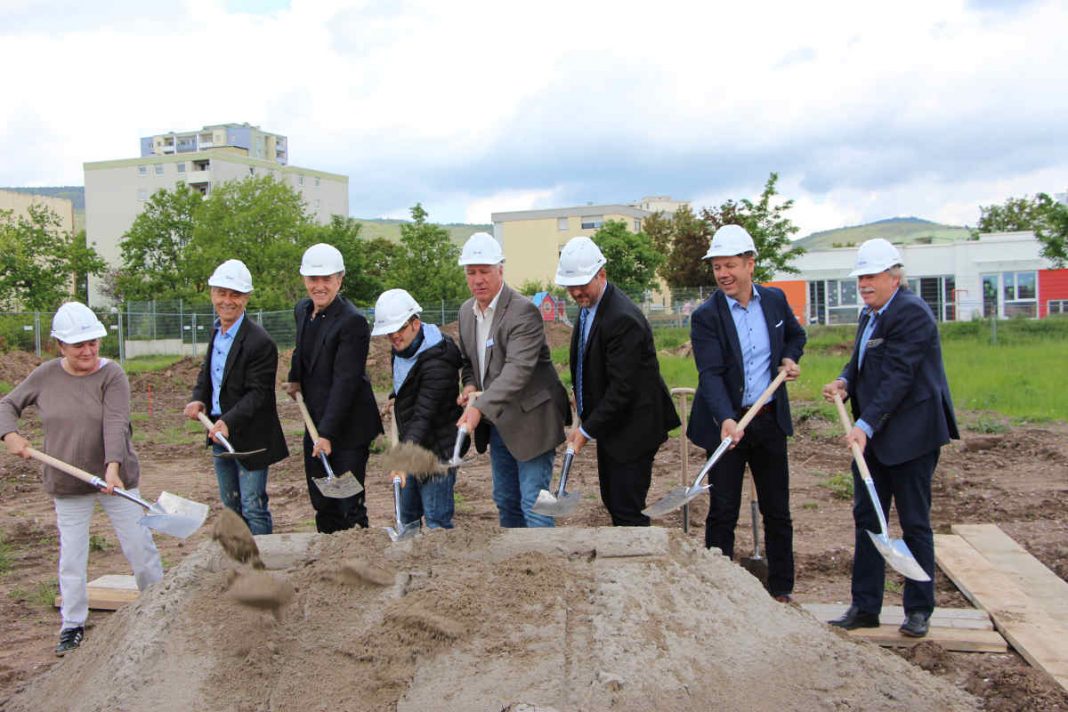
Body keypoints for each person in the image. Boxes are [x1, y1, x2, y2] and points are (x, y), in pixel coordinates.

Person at [0, 302, 163, 656]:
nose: (88, 350)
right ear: (61, 346)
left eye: (93, 342)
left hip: (116, 480)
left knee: (140, 546)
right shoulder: (44, 376)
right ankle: (72, 624)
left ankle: (160, 609)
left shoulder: (112, 374)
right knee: (72, 556)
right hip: (68, 483)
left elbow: (116, 422)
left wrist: (113, 467)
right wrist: (9, 434)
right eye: (79, 345)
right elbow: (6, 405)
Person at [822, 238, 958, 638]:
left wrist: (864, 426)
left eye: (871, 276)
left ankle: (919, 609)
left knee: (914, 522)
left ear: (894, 276)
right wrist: (846, 381)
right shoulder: (871, 314)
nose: (864, 283)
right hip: (876, 436)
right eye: (861, 276)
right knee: (868, 520)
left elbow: (899, 377)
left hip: (912, 435)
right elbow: (864, 361)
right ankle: (865, 607)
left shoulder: (911, 314)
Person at [687, 225, 806, 603]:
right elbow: (710, 373)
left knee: (777, 510)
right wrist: (725, 418)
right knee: (723, 509)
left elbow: (795, 335)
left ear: (750, 264)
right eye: (717, 267)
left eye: (730, 265)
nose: (723, 274)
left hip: (768, 418)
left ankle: (782, 590)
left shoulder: (773, 301)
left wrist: (790, 357)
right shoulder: (707, 316)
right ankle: (719, 591)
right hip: (727, 424)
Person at [554, 236, 680, 526]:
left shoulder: (623, 319)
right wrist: (582, 403)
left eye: (582, 284)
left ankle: (637, 563)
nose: (575, 292)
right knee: (614, 501)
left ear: (601, 274)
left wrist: (586, 431)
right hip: (613, 426)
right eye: (570, 286)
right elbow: (592, 364)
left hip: (634, 429)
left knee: (627, 508)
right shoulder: (589, 309)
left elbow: (623, 389)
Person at [455, 232, 570, 528]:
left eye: (484, 271)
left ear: (500, 270)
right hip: (499, 424)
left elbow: (517, 369)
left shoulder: (523, 312)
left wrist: (479, 408)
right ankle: (517, 569)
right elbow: (470, 362)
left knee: (535, 503)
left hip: (532, 420)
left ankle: (545, 566)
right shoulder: (467, 313)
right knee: (506, 501)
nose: (478, 279)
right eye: (471, 273)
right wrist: (469, 386)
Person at [183, 259, 288, 535]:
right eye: (222, 293)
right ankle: (241, 563)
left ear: (246, 298)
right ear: (212, 294)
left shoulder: (260, 342)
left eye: (235, 295)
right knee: (231, 505)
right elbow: (208, 374)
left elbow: (259, 393)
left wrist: (229, 421)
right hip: (218, 431)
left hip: (250, 436)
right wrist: (198, 398)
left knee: (253, 505)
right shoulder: (217, 332)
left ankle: (262, 566)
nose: (227, 300)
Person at [285, 243, 383, 533]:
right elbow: (301, 349)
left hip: (348, 427)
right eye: (313, 279)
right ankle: (327, 561)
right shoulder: (303, 310)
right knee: (322, 497)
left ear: (339, 279)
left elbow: (346, 382)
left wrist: (327, 434)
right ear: (304, 280)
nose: (319, 286)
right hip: (315, 418)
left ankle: (358, 560)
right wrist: (294, 377)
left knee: (347, 500)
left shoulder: (352, 322)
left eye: (326, 279)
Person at [372, 288, 466, 529]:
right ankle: (410, 561)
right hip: (413, 444)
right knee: (407, 515)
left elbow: (424, 415)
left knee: (436, 519)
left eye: (399, 330)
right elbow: (409, 382)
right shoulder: (403, 348)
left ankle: (442, 563)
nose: (394, 337)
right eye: (389, 333)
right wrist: (397, 396)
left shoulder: (439, 363)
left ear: (416, 323)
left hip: (437, 451)